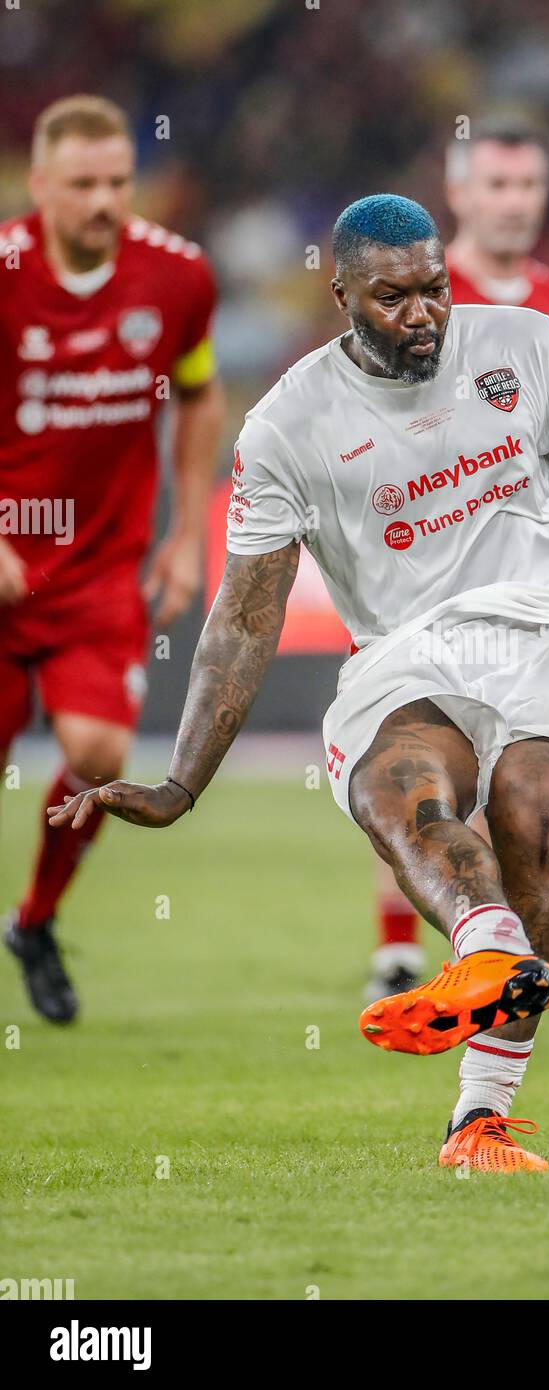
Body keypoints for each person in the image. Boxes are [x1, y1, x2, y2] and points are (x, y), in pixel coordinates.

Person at [50, 194, 549, 1172]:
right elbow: (245, 617)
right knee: (400, 789)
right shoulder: (289, 425)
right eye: (393, 297)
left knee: (539, 811)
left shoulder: (528, 346)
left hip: (547, 629)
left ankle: (479, 1118)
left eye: (435, 290)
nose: (423, 315)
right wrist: (181, 783)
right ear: (341, 296)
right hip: (404, 650)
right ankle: (492, 944)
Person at [367, 117, 549, 1002]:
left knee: (528, 793)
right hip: (426, 578)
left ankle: (486, 961)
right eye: (496, 186)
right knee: (422, 769)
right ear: (458, 193)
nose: (514, 203)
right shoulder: (420, 291)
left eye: (529, 186)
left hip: (534, 584)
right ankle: (403, 950)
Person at [1, 95, 223, 1022]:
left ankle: (35, 920)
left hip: (99, 569)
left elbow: (200, 398)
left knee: (96, 754)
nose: (104, 201)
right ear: (39, 184)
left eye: (119, 182)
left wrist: (186, 533)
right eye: (83, 184)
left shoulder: (175, 278)